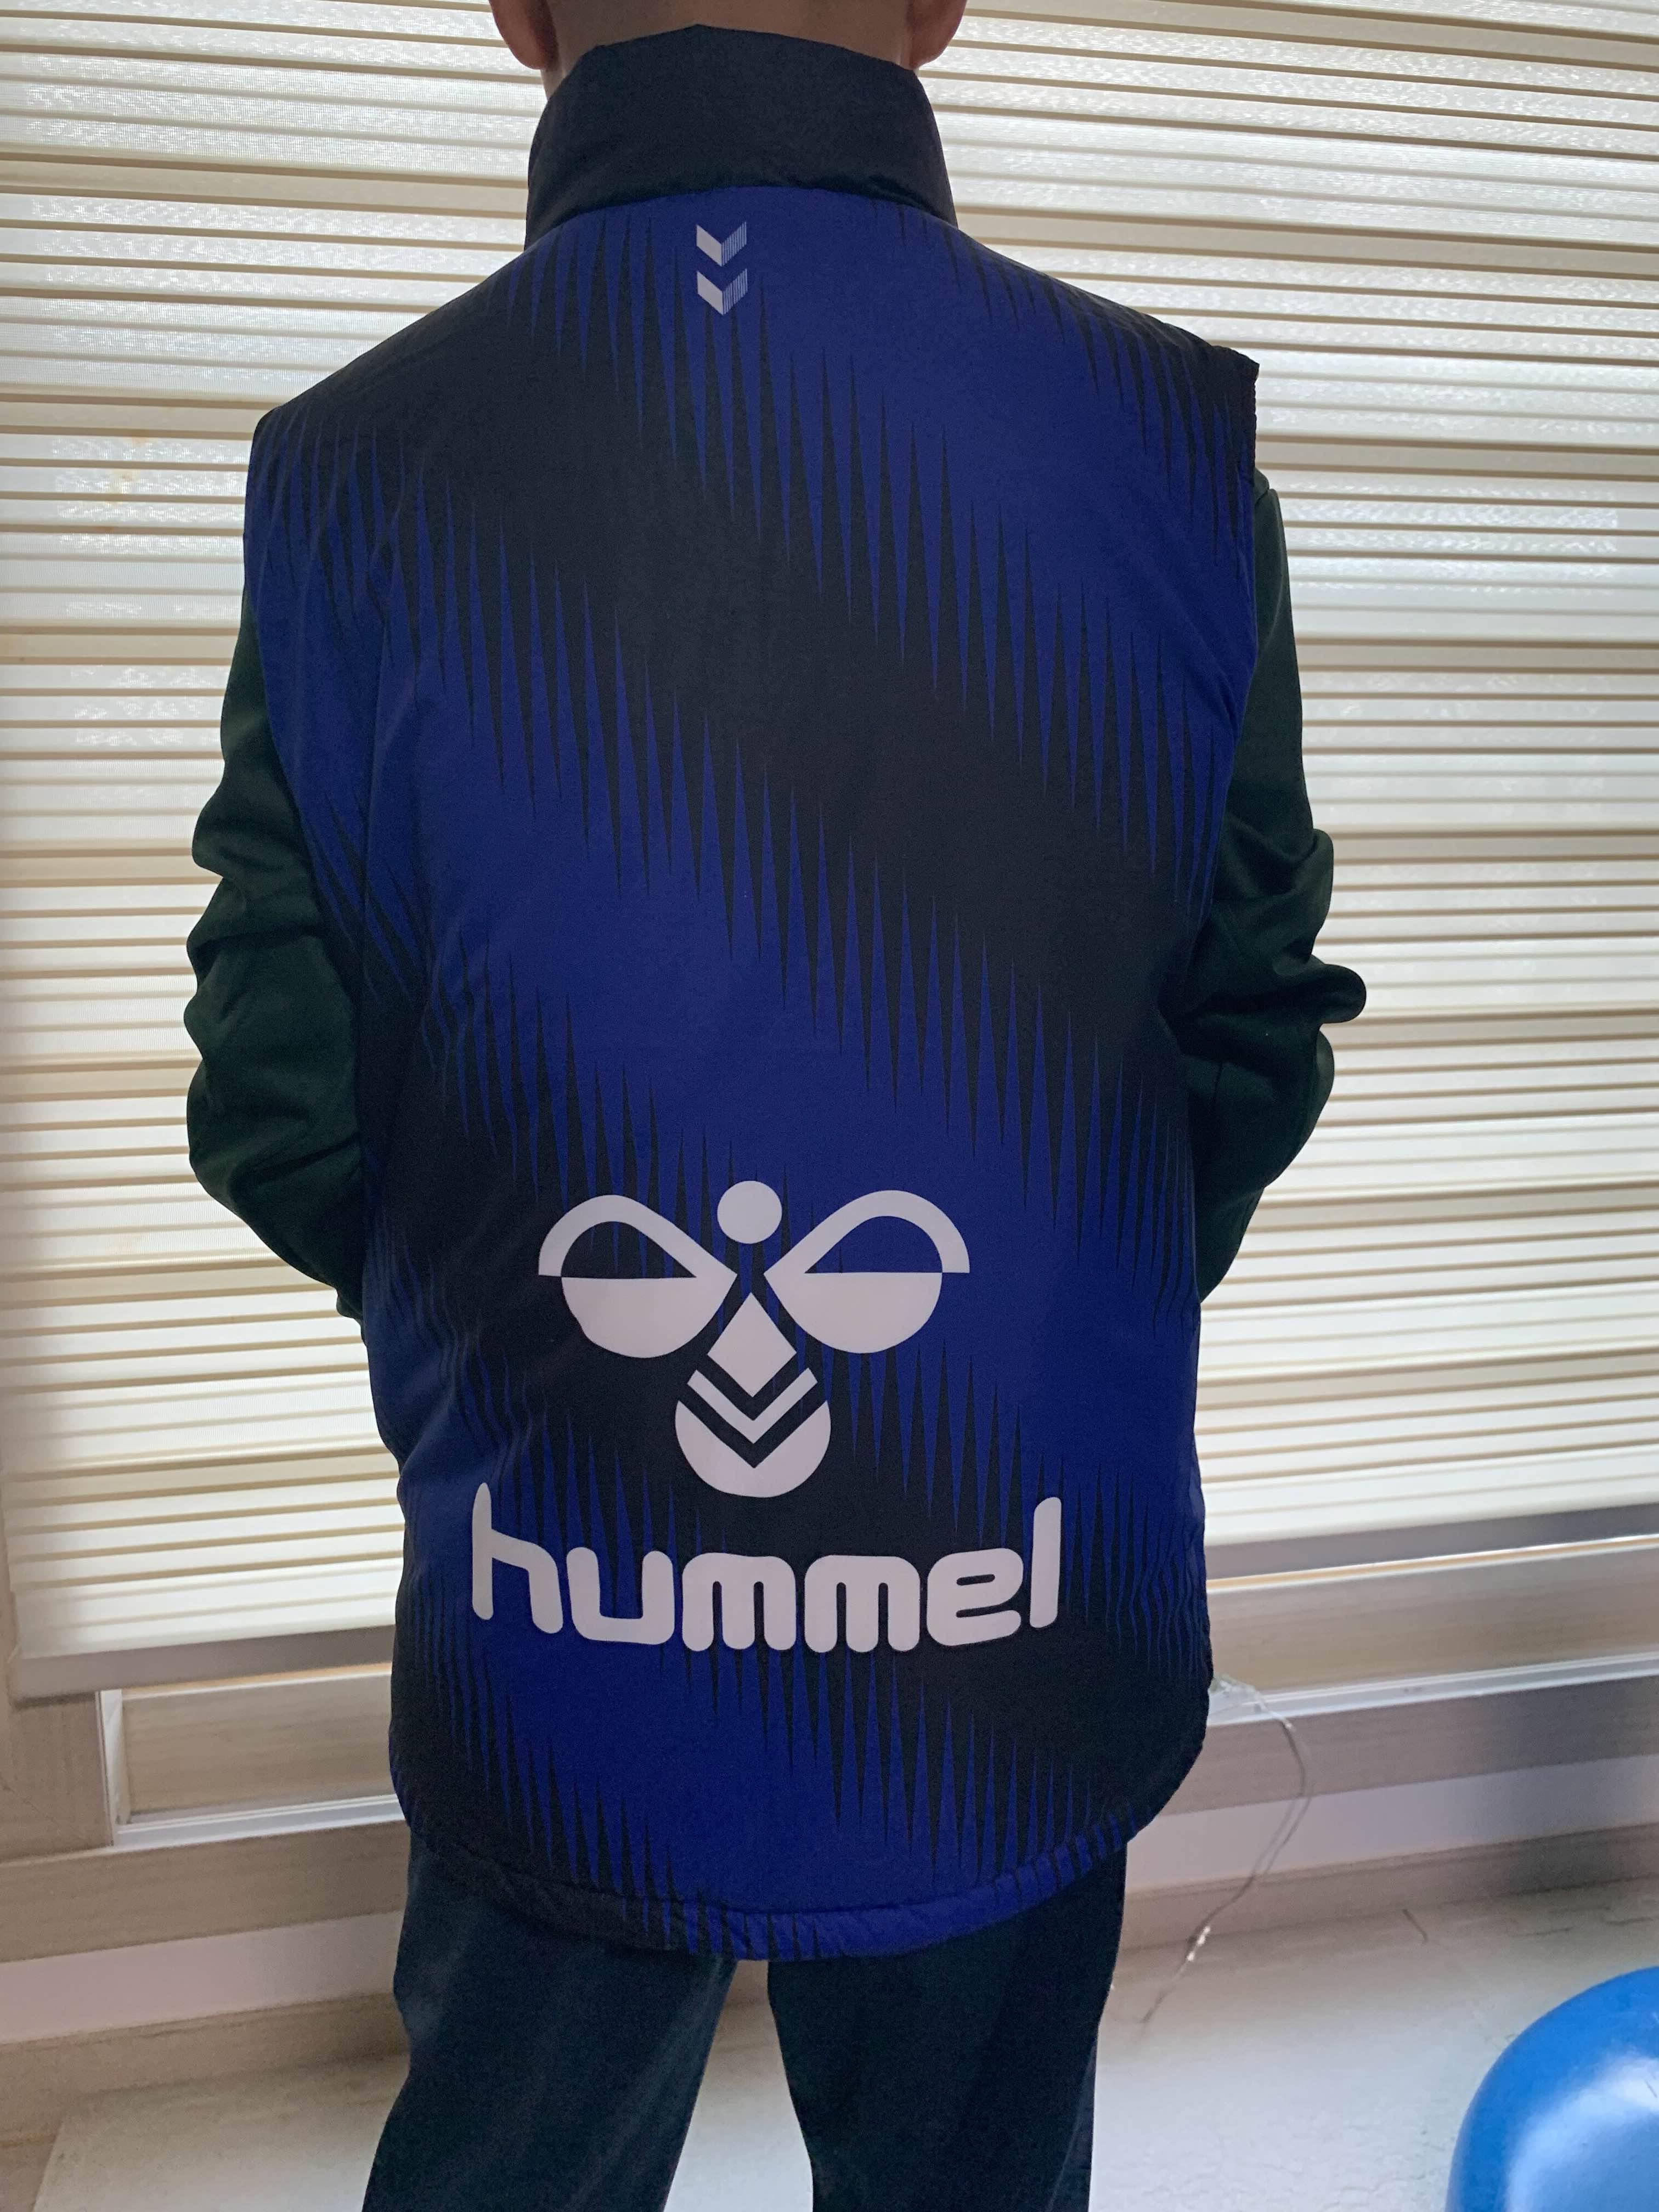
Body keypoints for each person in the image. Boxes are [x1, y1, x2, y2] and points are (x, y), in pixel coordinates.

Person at [183, 3, 1365, 2206]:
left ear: (517, 12)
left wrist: (519, 1346)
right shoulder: (1165, 439)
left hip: (557, 1616)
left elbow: (282, 1095)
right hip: (1012, 1600)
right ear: (941, 3)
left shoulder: (355, 468)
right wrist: (1047, 1308)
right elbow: (1248, 1024)